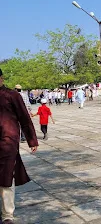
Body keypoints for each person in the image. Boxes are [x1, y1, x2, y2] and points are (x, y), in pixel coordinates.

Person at [0, 68, 38, 224]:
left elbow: (24, 118)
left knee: (6, 176)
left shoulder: (12, 95)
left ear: (1, 78)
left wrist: (32, 140)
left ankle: (7, 215)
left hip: (7, 141)